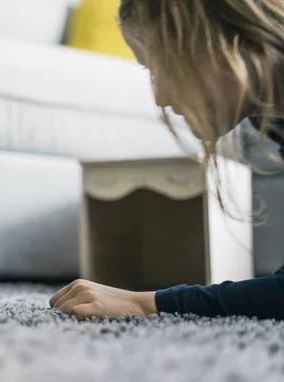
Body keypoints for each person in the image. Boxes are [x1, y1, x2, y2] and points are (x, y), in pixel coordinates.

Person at [50, 0, 284, 320]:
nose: (162, 98)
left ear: (219, 38)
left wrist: (148, 303)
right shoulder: (271, 120)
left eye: (163, 67)